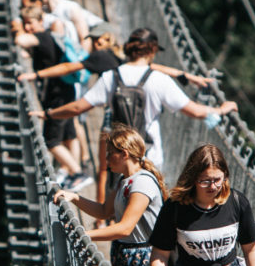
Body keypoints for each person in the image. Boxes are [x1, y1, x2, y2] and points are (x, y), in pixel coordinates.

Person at [25, 27, 233, 202]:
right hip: (150, 156)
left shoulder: (111, 77)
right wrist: (220, 110)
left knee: (121, 206)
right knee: (146, 209)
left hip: (120, 156)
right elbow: (195, 111)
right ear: (151, 51)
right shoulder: (158, 79)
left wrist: (49, 114)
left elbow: (78, 107)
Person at [53, 124, 166, 266]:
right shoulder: (124, 180)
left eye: (110, 154)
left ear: (124, 154)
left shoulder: (142, 183)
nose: (106, 160)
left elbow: (124, 228)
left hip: (142, 258)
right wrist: (75, 197)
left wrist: (83, 235)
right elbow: (104, 211)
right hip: (124, 253)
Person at [12, 5, 91, 190]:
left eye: (30, 23)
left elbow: (20, 40)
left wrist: (17, 26)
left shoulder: (42, 37)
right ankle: (75, 172)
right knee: (69, 133)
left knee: (51, 140)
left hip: (57, 96)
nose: (28, 27)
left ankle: (77, 173)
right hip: (67, 91)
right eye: (26, 23)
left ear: (40, 21)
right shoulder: (51, 38)